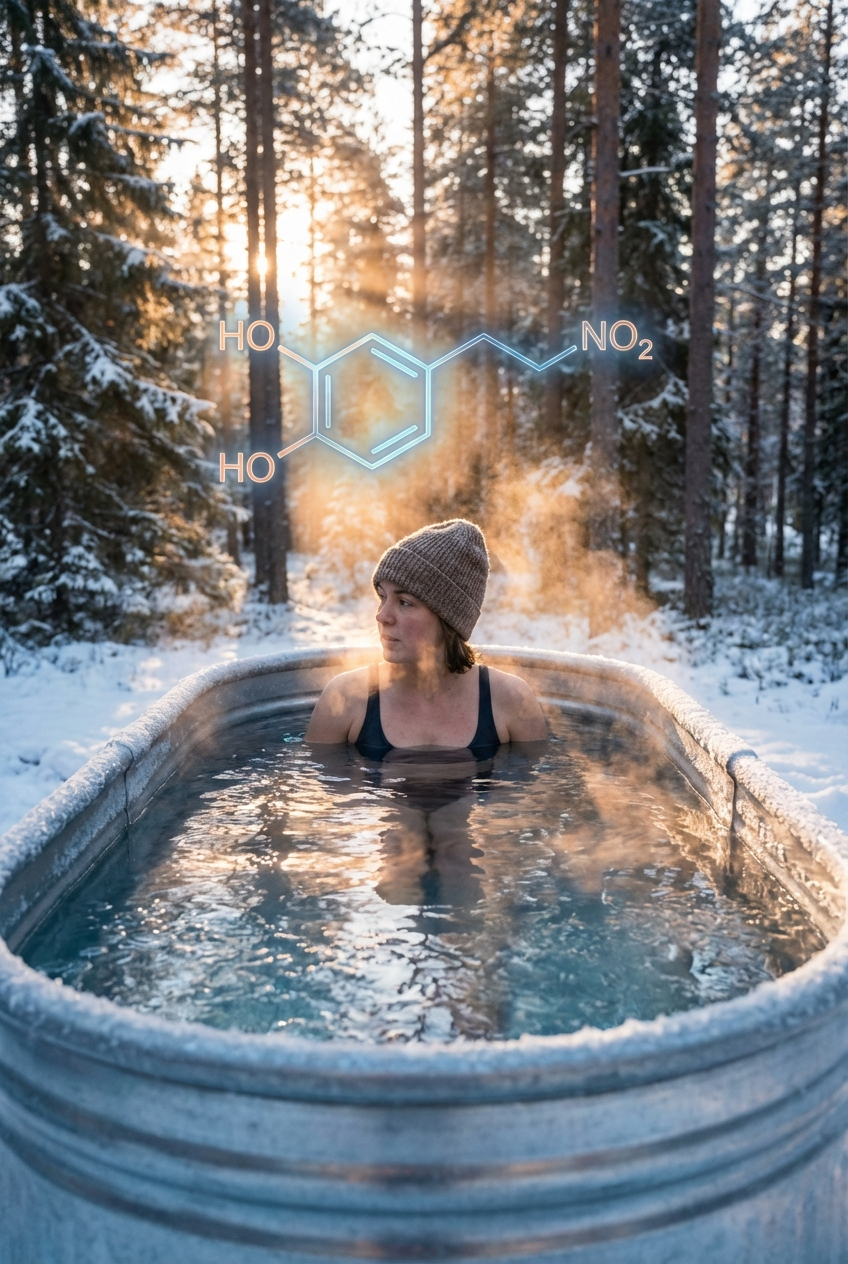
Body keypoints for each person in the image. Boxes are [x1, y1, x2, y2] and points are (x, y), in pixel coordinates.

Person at [305, 518, 547, 755]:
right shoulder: (346, 699)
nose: (382, 616)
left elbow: (533, 792)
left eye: (405, 602)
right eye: (382, 597)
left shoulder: (510, 700)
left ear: (449, 619)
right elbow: (317, 792)